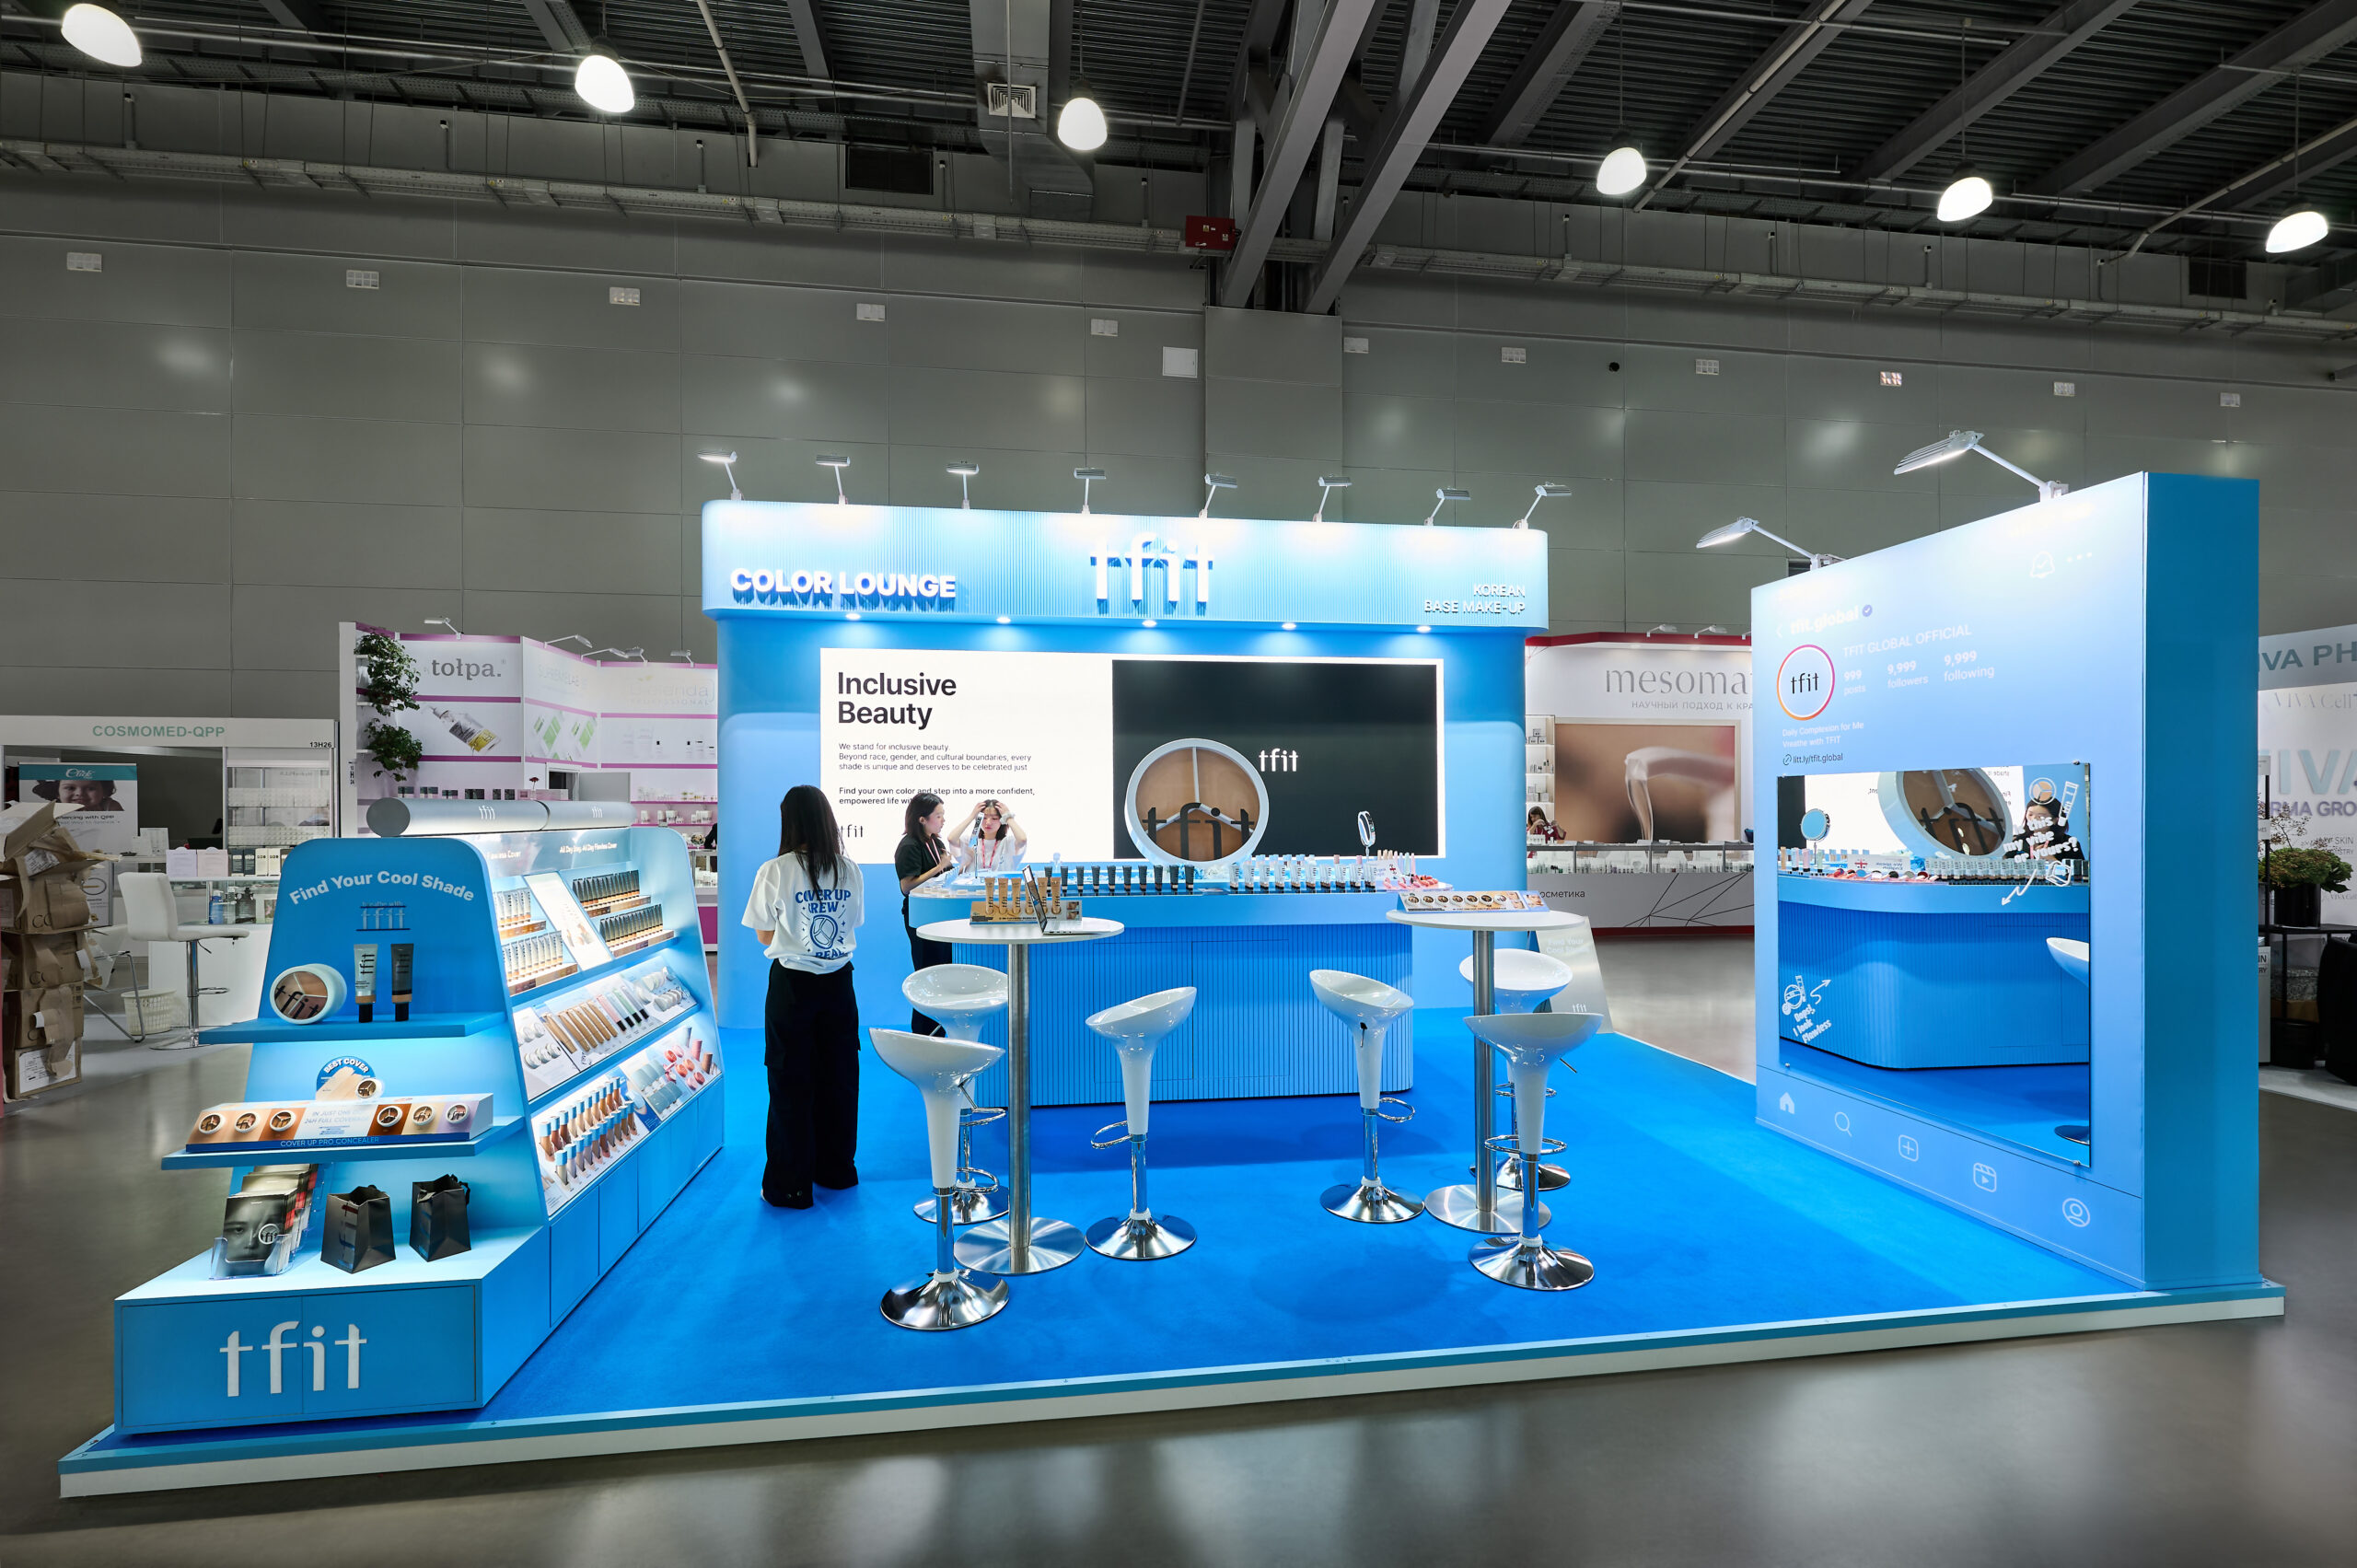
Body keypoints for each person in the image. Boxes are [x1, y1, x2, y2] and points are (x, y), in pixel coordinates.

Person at [742, 784, 866, 1209]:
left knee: (789, 1081)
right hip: (839, 985)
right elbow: (853, 923)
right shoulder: (850, 869)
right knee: (840, 1078)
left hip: (792, 986)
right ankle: (836, 1170)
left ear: (790, 822)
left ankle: (791, 1186)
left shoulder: (775, 870)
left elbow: (764, 934)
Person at [895, 791, 959, 1034]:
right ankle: (924, 1035)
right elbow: (907, 886)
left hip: (940, 917)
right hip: (921, 918)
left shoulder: (936, 843)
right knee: (927, 975)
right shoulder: (909, 846)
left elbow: (945, 876)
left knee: (942, 974)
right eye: (938, 816)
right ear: (922, 819)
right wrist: (938, 867)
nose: (943, 820)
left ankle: (940, 1032)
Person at [951, 798, 1028, 876]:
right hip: (973, 883)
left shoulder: (1008, 842)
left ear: (1002, 820)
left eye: (994, 818)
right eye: (984, 818)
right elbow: (951, 839)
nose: (988, 822)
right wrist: (972, 816)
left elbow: (1022, 840)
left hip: (1002, 883)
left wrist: (1008, 817)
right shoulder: (971, 841)